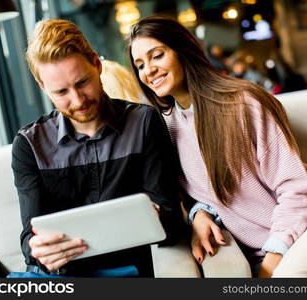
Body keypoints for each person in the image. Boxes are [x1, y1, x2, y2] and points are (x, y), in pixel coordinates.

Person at [127, 16, 307, 278]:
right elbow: (198, 193)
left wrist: (271, 264)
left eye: (157, 56)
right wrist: (199, 214)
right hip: (268, 248)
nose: (149, 70)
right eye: (140, 65)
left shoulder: (241, 103)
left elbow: (295, 189)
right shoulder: (166, 128)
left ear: (183, 50)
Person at [10, 19, 184, 278]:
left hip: (131, 270)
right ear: (42, 87)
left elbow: (171, 220)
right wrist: (37, 249)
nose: (78, 100)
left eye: (82, 83)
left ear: (97, 64)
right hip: (63, 276)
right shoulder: (29, 145)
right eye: (61, 92)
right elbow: (29, 237)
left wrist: (158, 217)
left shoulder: (144, 123)